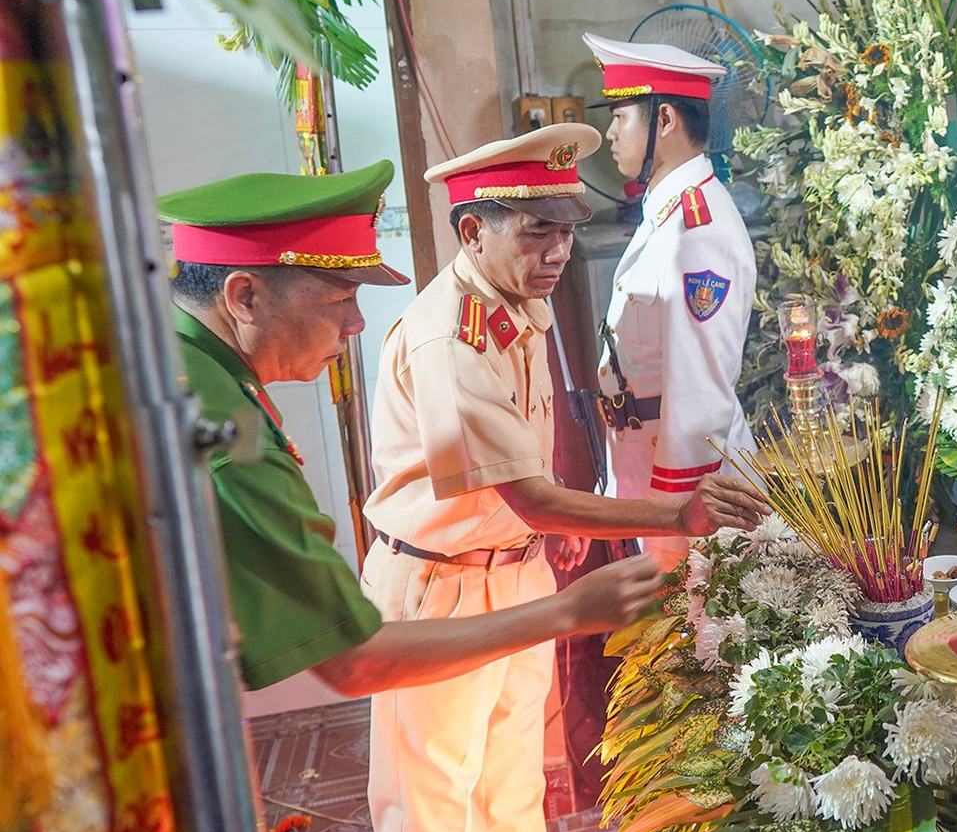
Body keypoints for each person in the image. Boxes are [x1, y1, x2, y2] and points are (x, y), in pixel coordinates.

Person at [359, 124, 768, 832]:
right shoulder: (450, 337)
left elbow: (532, 471)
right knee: (425, 804)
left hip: (507, 567)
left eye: (565, 229)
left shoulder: (516, 299)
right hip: (437, 583)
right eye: (532, 230)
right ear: (473, 233)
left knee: (512, 772)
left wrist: (547, 532)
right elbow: (531, 493)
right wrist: (670, 511)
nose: (555, 252)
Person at [155, 160, 671, 696]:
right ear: (244, 297)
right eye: (340, 299)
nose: (356, 325)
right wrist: (570, 611)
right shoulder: (223, 427)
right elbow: (353, 660)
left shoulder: (189, 368)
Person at [585, 33, 755, 572]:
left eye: (621, 116)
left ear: (664, 121)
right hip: (645, 462)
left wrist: (673, 517)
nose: (610, 133)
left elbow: (699, 392)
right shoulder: (668, 212)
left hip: (690, 492)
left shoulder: (698, 230)